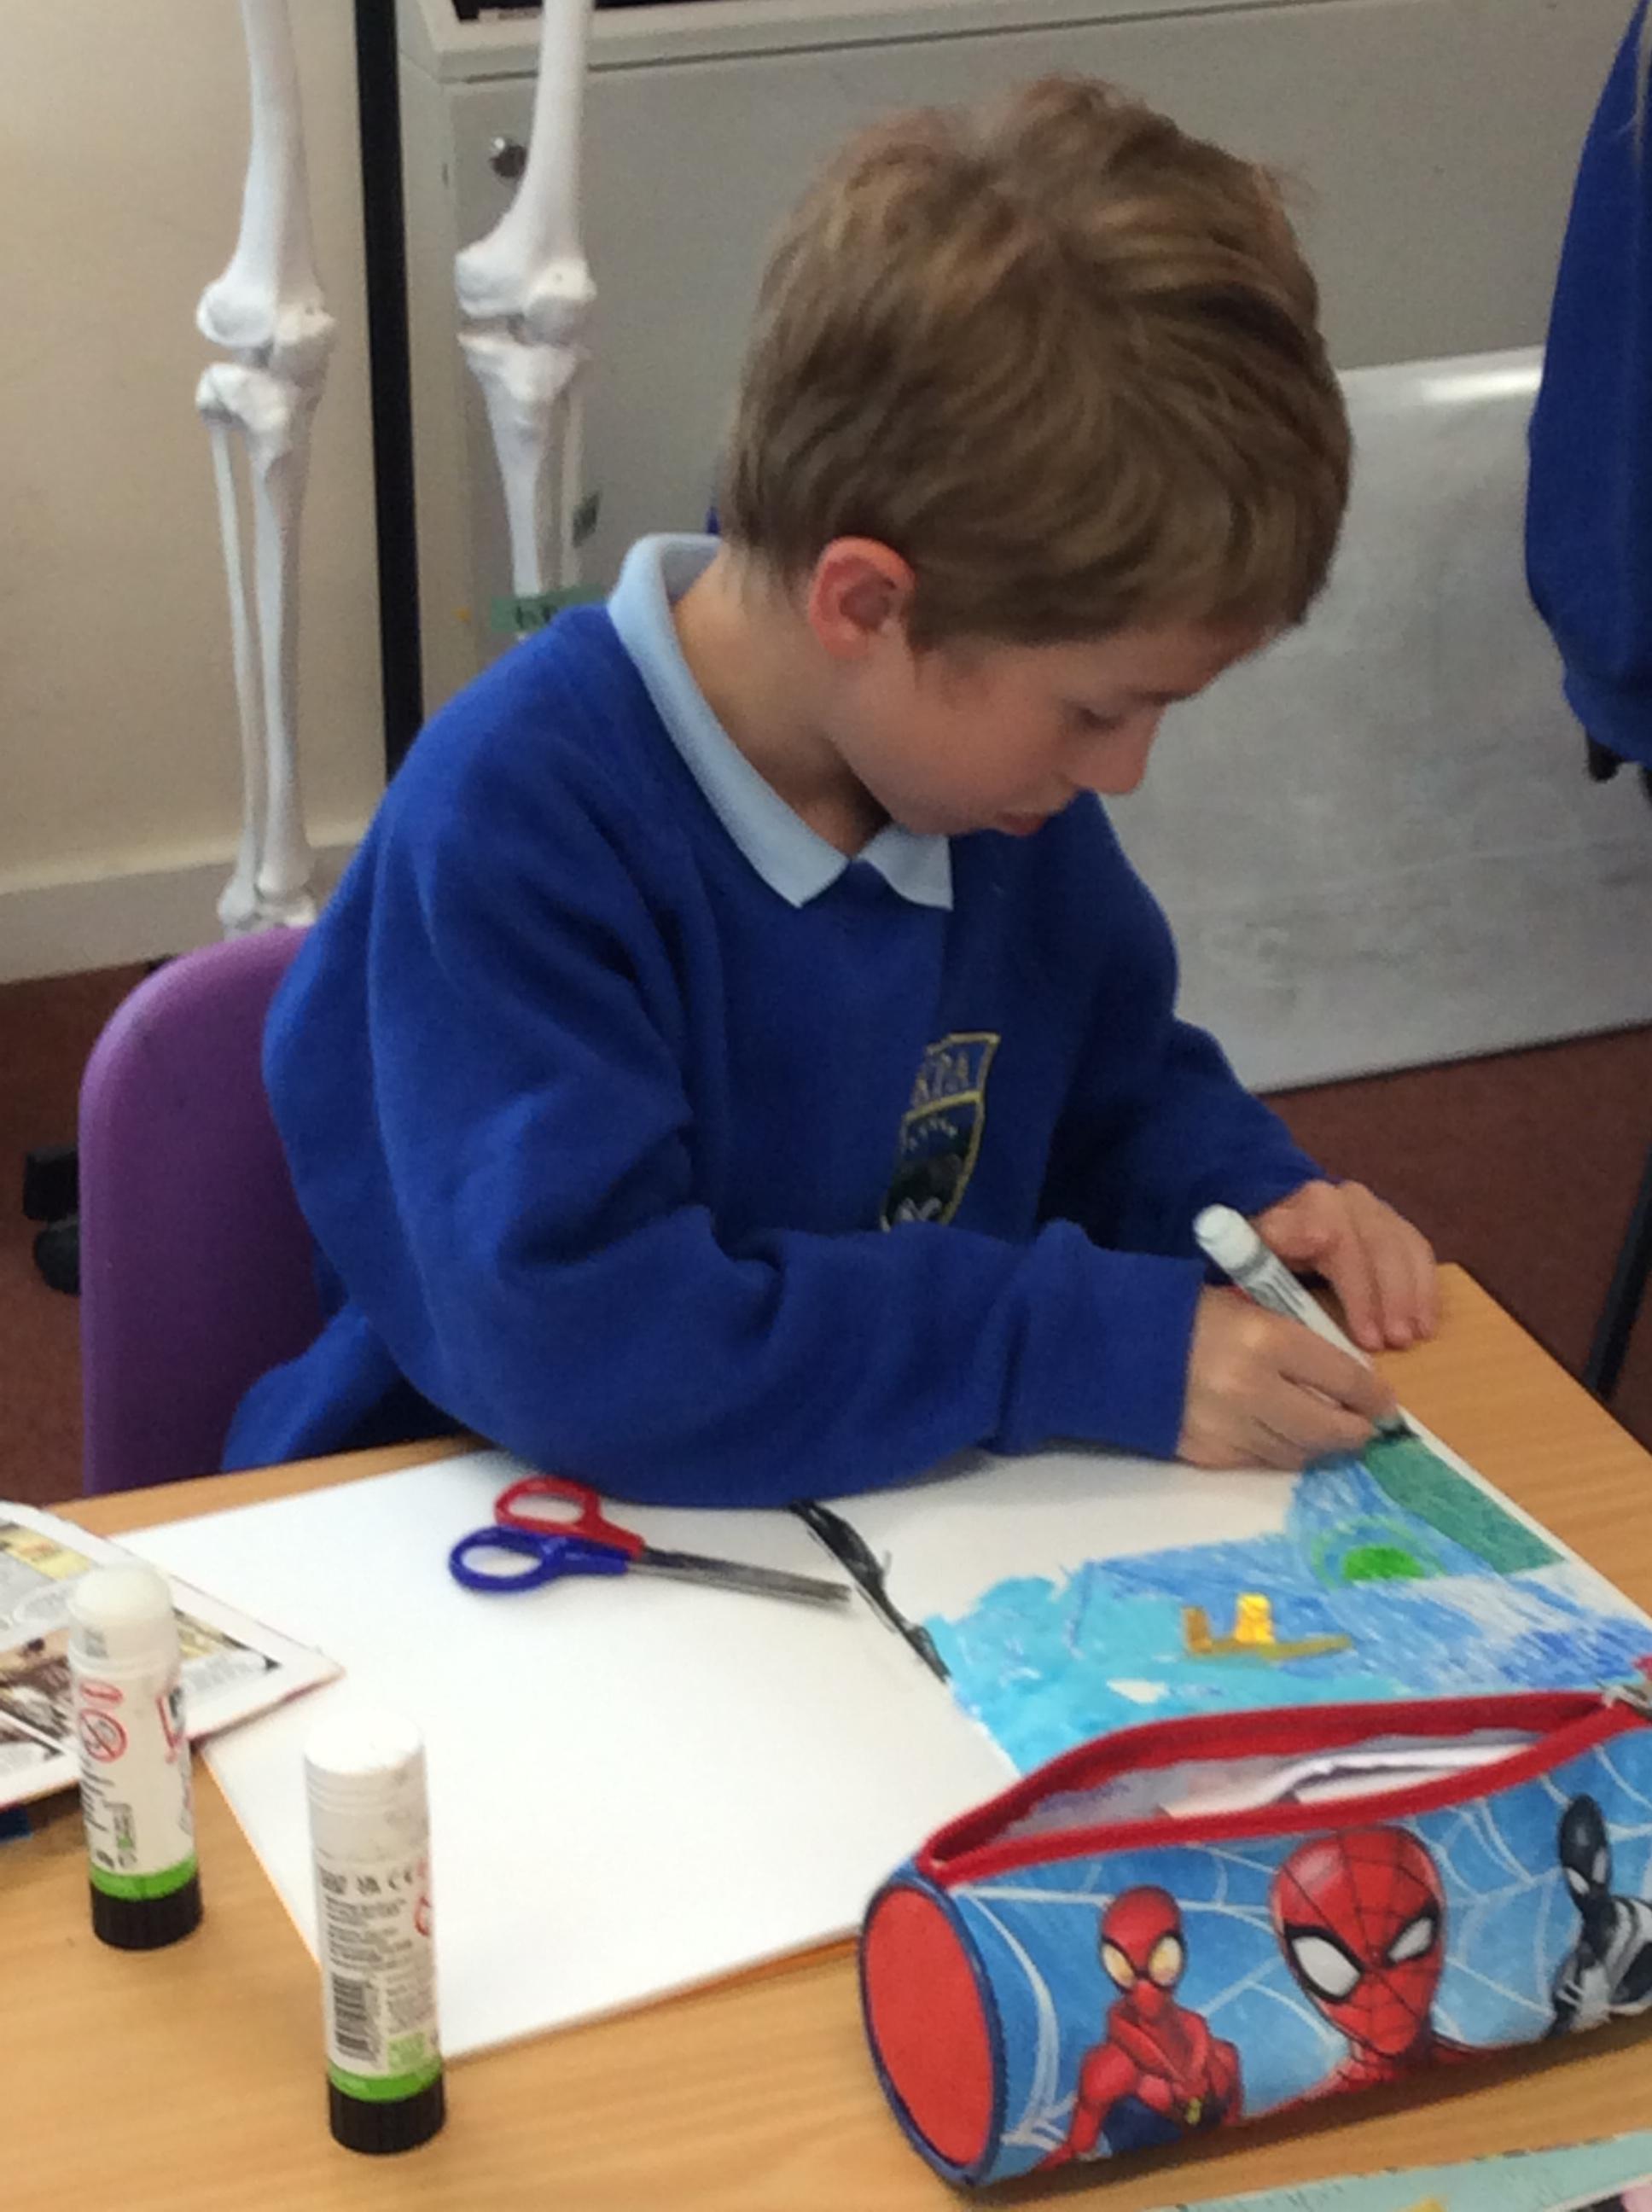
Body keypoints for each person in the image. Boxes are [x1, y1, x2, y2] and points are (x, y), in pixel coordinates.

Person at [224, 75, 1437, 1504]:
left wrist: (1242, 1208)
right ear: (866, 603)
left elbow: (1108, 1092)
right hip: (484, 1515)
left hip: (892, 1507)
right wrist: (1068, 1344)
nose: (1123, 770)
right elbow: (595, 1351)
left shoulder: (990, 796)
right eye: (1099, 709)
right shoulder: (517, 823)